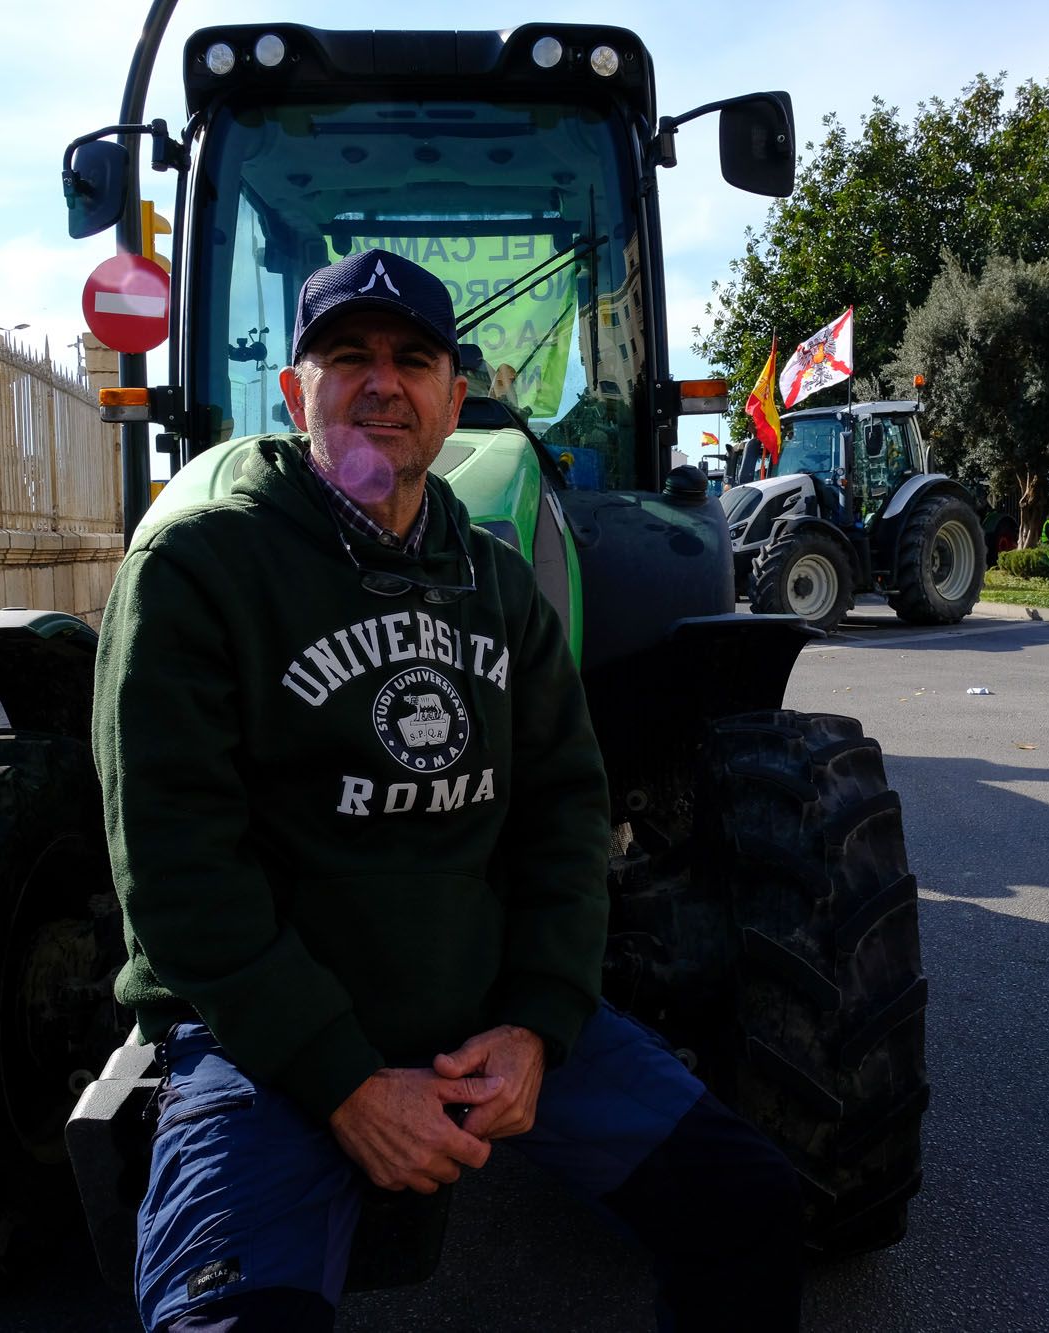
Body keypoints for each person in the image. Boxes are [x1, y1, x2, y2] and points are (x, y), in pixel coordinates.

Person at [92, 249, 802, 1333]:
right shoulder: (201, 568)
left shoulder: (498, 586)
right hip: (272, 1050)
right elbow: (180, 868)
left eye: (412, 359)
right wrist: (343, 1081)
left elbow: (565, 815)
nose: (383, 383)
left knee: (748, 1203)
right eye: (347, 358)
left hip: (485, 1024)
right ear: (295, 392)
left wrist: (536, 1023)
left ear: (452, 399)